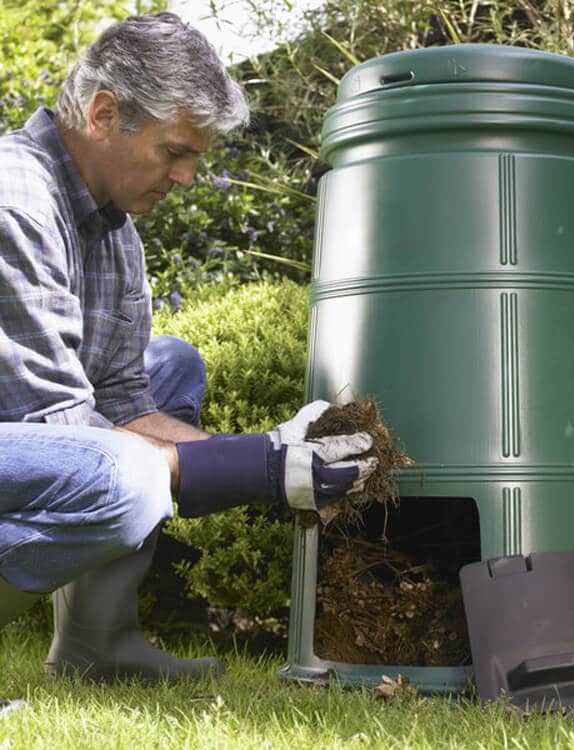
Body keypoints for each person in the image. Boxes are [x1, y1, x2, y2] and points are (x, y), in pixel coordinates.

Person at [0, 12, 376, 683]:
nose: (187, 178)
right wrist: (252, 468)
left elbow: (119, 402)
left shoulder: (113, 231)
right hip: (27, 425)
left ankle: (97, 645)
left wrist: (273, 453)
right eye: (176, 151)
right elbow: (59, 433)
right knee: (122, 479)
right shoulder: (17, 203)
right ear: (105, 113)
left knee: (169, 364)